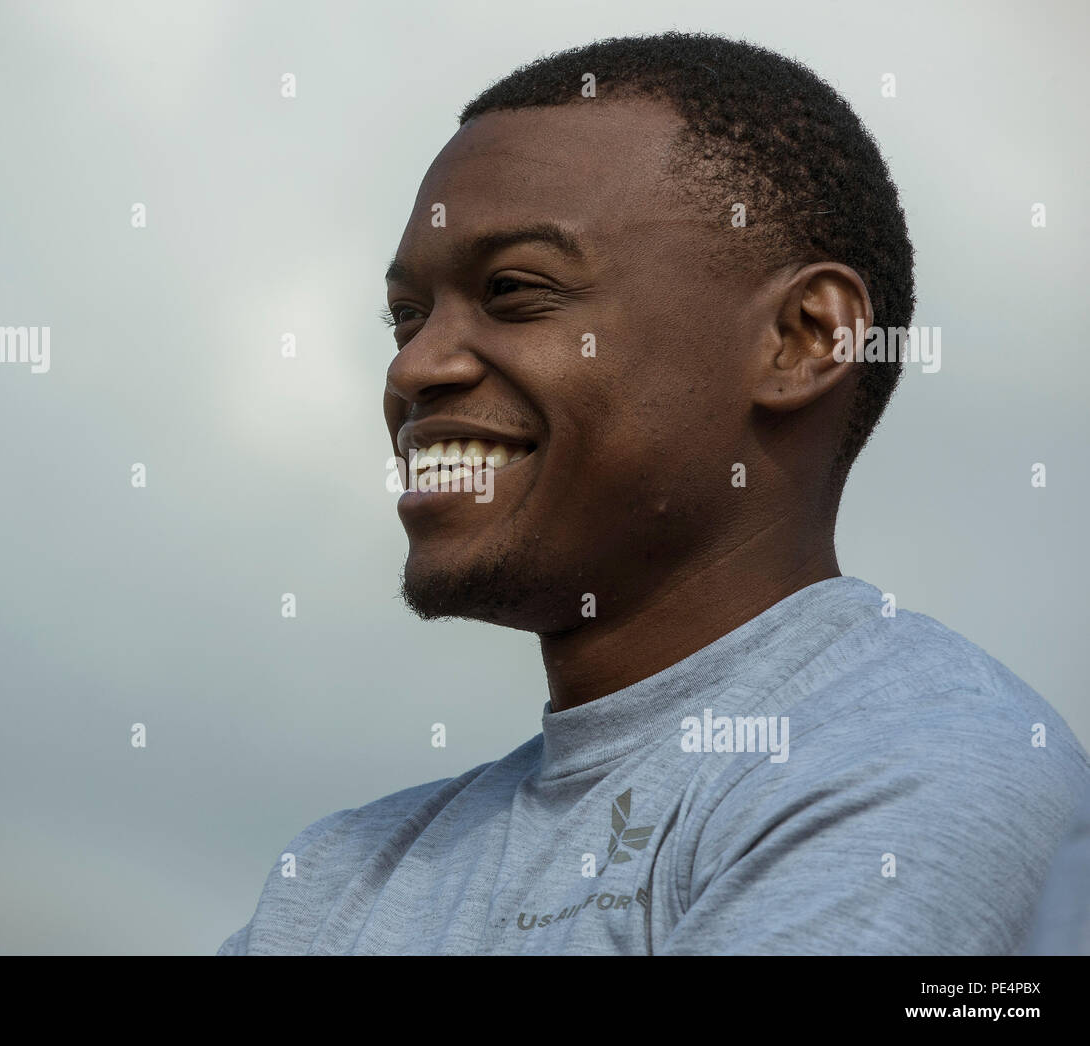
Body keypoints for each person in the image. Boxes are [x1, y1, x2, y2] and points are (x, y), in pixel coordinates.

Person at [219, 32, 1089, 954]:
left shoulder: (916, 767)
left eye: (514, 291)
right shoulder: (348, 878)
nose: (415, 366)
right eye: (407, 315)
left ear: (802, 338)